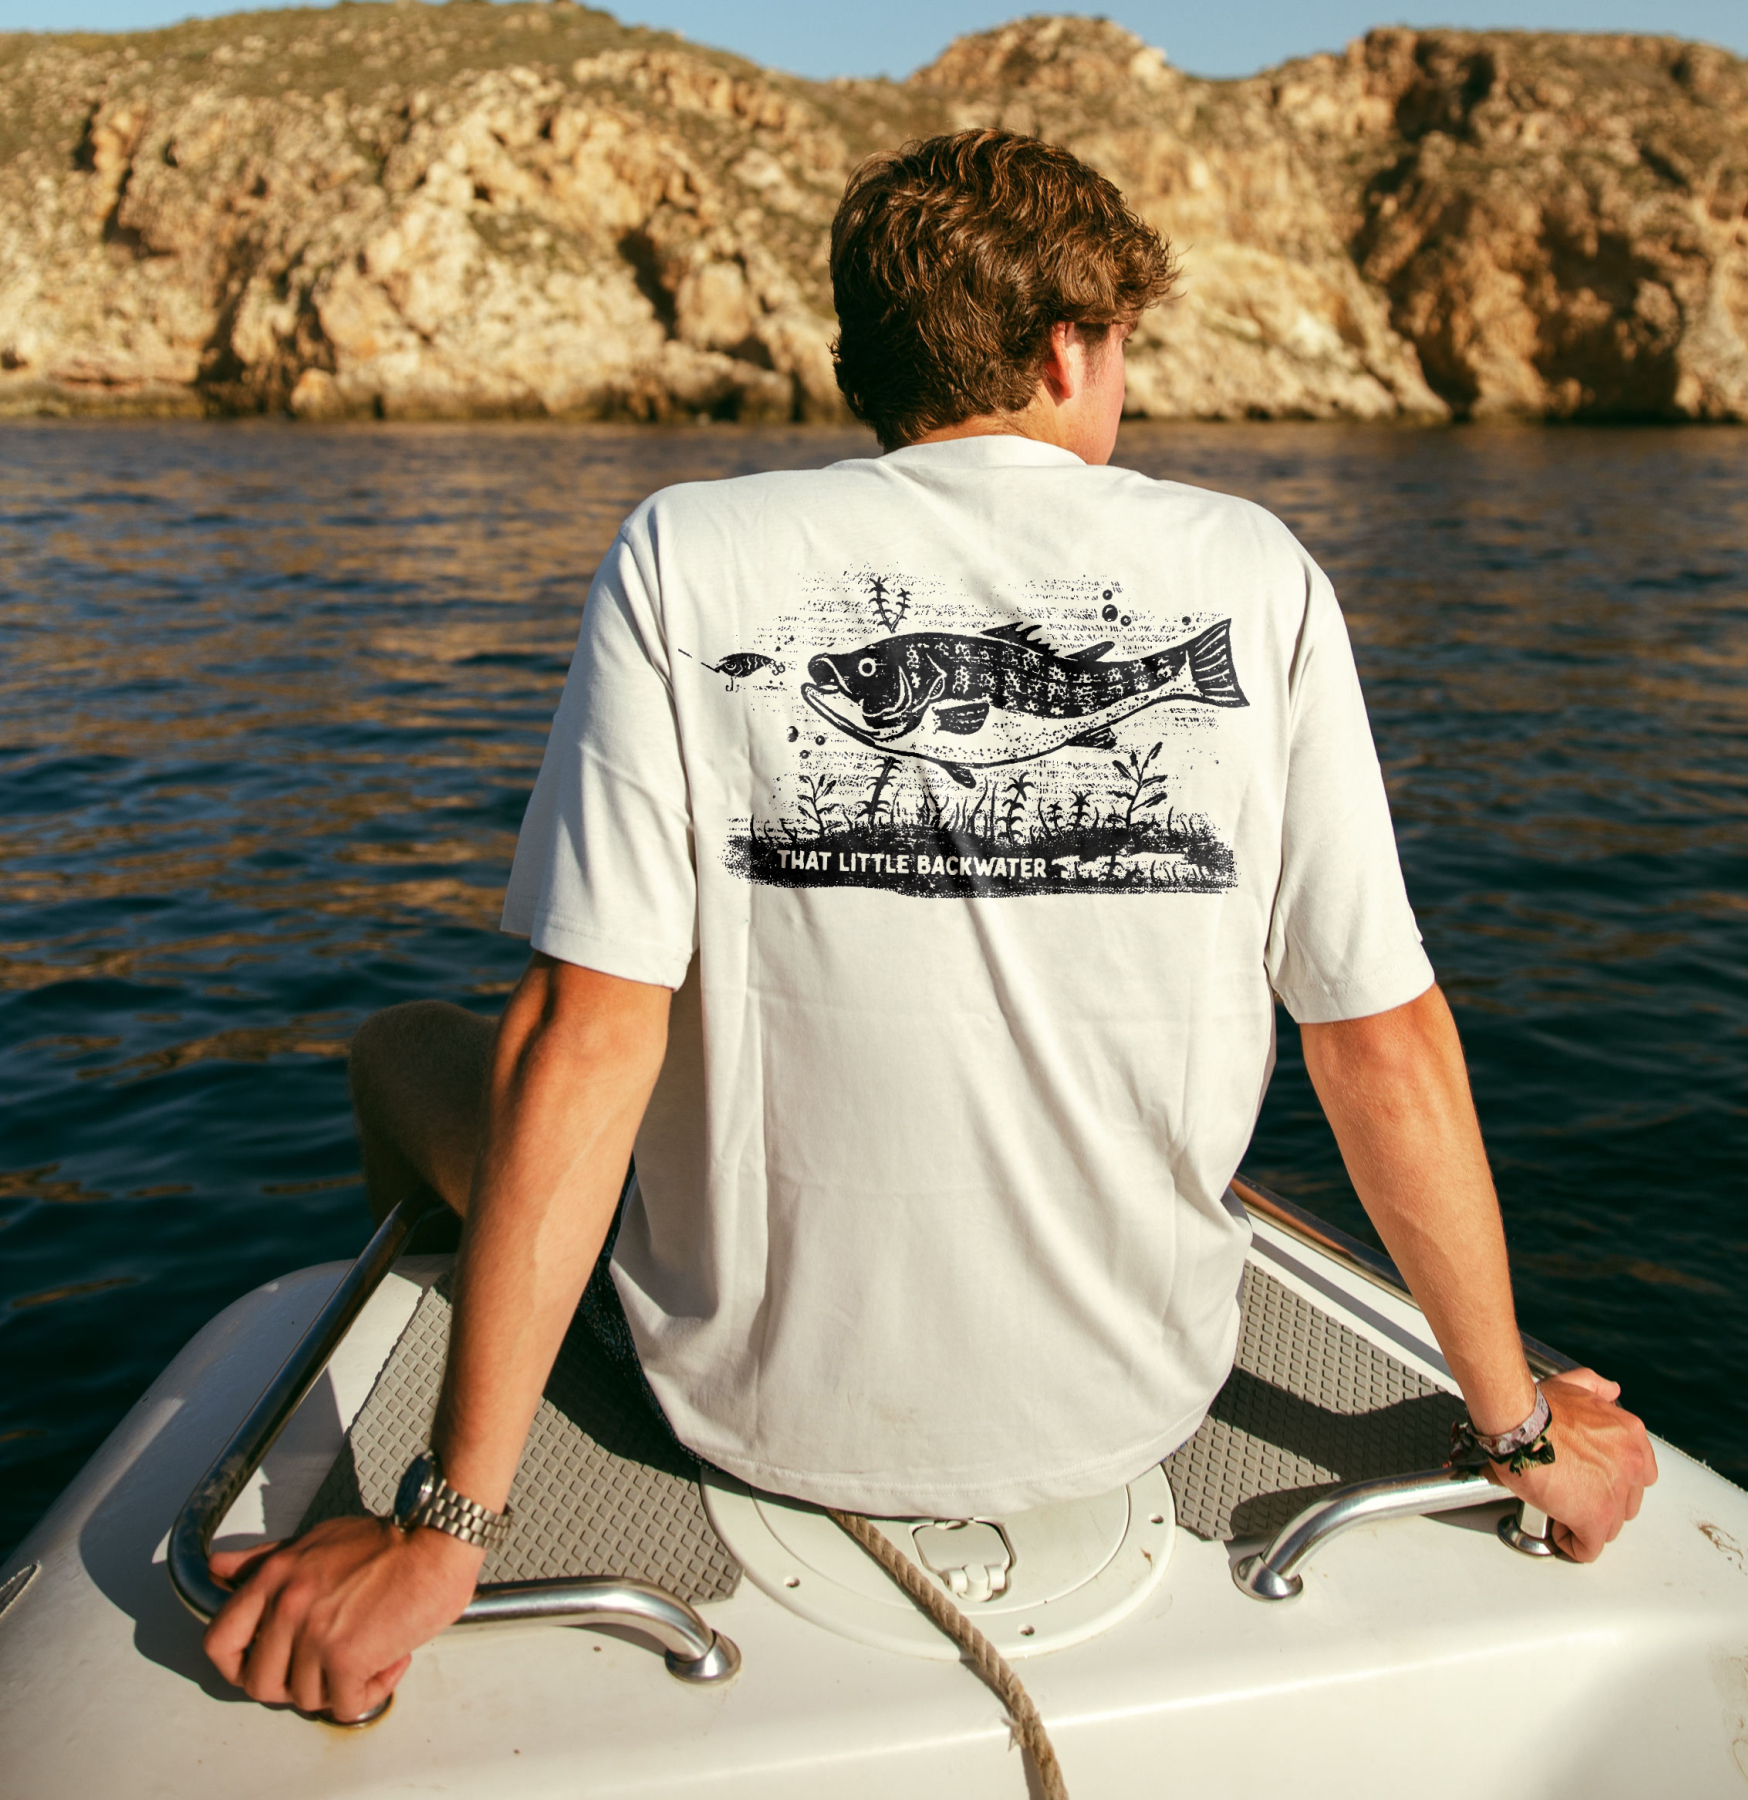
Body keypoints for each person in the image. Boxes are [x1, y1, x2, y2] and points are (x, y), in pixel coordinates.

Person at [203, 129, 1657, 1723]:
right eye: (1122, 350)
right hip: (1132, 1409)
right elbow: (1378, 1039)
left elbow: (586, 1032)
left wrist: (449, 1531)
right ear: (1067, 350)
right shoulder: (1259, 570)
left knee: (404, 1049)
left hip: (738, 1414)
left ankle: (459, 1367)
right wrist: (1520, 1429)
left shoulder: (685, 552)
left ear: (870, 364)